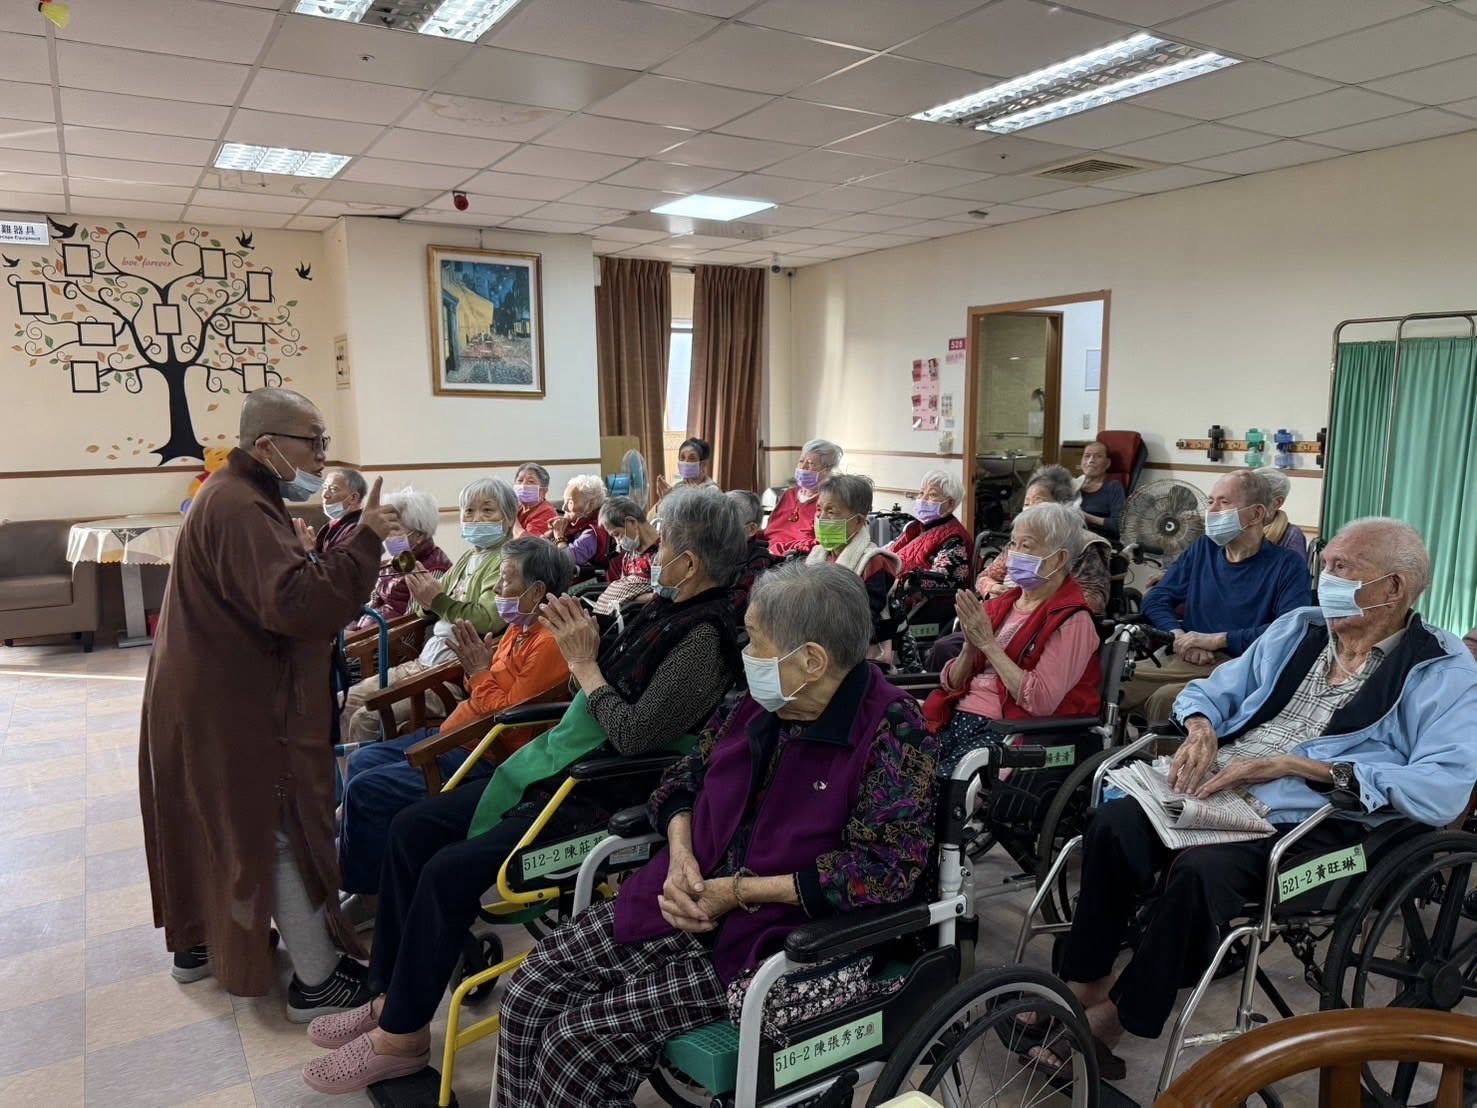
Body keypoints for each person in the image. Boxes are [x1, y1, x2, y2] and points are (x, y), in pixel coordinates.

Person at [300, 487, 745, 1093]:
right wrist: (586, 648)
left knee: (447, 870)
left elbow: (634, 735)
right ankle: (386, 999)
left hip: (604, 794)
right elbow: (591, 692)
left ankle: (402, 1036)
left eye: (662, 544)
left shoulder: (704, 639)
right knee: (411, 829)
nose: (652, 553)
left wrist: (583, 662)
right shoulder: (656, 609)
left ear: (689, 563)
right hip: (562, 767)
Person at [1038, 518, 1477, 1078]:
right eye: (1326, 564)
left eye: (1343, 569)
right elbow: (1213, 691)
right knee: (1114, 823)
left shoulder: (1442, 669)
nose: (1325, 580)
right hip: (1226, 784)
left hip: (1324, 822)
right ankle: (1085, 984)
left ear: (1393, 587)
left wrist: (1297, 765)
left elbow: (1443, 789)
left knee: (1201, 873)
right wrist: (1201, 727)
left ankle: (1115, 1020)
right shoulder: (1301, 628)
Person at [493, 563, 940, 1107]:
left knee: (575, 1043)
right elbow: (681, 780)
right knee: (528, 991)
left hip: (771, 934)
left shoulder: (893, 728)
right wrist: (681, 857)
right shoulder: (765, 700)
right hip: (688, 887)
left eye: (756, 641)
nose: (746, 653)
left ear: (812, 660)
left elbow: (885, 869)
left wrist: (738, 892)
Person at [139, 388, 398, 1018]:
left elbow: (269, 588)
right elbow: (296, 605)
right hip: (234, 701)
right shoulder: (238, 505)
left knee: (210, 817)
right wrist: (364, 539)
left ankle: (204, 944)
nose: (322, 455)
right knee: (271, 825)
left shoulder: (237, 495)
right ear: (265, 445)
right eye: (312, 441)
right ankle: (318, 980)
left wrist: (309, 556)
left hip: (206, 690)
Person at [337, 537, 572, 896]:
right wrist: (477, 669)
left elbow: (510, 718)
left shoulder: (549, 641)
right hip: (460, 732)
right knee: (363, 760)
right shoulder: (519, 627)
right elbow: (483, 685)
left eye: (505, 579)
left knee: (365, 789)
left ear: (537, 590)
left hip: (483, 753)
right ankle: (369, 866)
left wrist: (479, 672)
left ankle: (366, 890)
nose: (498, 589)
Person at [1121, 470, 1310, 722]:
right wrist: (1180, 638)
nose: (1211, 511)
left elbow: (1290, 631)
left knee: (1167, 699)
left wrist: (1218, 640)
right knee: (1112, 678)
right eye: (1211, 501)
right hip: (1185, 657)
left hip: (1241, 667)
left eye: (1224, 502)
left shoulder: (1287, 565)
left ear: (1256, 514)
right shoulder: (1204, 548)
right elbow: (1156, 598)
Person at [928, 503, 1102, 772]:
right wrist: (970, 648)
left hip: (1008, 732)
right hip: (958, 717)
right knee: (891, 762)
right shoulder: (1002, 605)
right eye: (1013, 544)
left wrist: (988, 644)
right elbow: (952, 685)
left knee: (927, 786)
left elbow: (1041, 701)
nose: (1014, 554)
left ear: (1059, 559)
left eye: (1026, 546)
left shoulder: (1072, 621)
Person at [340, 478, 516, 743]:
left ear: (509, 519)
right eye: (469, 511)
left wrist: (436, 601)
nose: (476, 517)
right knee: (345, 701)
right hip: (424, 660)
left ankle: (366, 768)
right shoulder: (469, 556)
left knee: (365, 717)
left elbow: (487, 620)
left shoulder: (506, 561)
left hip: (450, 674)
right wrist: (426, 600)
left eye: (487, 510)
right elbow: (432, 606)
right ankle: (346, 769)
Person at [927, 466, 1111, 672]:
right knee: (944, 648)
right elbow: (984, 577)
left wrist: (1033, 599)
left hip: (1044, 626)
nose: (1030, 508)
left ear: (1060, 506)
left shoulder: (1083, 545)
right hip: (1003, 617)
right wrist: (996, 589)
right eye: (1026, 502)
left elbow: (1094, 600)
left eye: (1038, 501)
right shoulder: (1019, 539)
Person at [806, 474, 901, 649]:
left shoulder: (873, 562)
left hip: (857, 650)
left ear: (858, 521)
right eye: (819, 510)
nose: (821, 518)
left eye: (831, 512)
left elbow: (865, 620)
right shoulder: (817, 554)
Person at [352, 487, 450, 630]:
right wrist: (355, 627)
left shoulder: (432, 569)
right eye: (388, 527)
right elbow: (374, 601)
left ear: (419, 535)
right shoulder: (397, 559)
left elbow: (413, 624)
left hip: (389, 639)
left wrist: (359, 637)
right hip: (369, 631)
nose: (388, 535)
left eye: (396, 529)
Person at [888, 468, 973, 583]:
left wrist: (901, 582)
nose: (922, 499)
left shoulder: (955, 538)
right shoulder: (914, 526)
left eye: (932, 494)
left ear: (950, 504)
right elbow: (890, 550)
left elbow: (944, 580)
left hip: (910, 591)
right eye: (921, 493)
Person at [767, 437, 842, 558]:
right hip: (769, 552)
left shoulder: (831, 501)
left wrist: (787, 549)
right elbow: (770, 531)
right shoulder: (789, 494)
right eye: (801, 461)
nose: (802, 467)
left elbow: (827, 544)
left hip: (800, 558)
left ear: (826, 469)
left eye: (810, 464)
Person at [594, 495, 660, 613]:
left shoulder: (660, 555)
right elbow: (623, 585)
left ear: (631, 522)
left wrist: (630, 598)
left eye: (617, 534)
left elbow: (657, 595)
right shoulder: (629, 556)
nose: (618, 542)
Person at [727, 488, 776, 612]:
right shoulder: (714, 551)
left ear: (751, 529)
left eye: (728, 522)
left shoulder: (759, 561)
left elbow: (736, 605)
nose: (718, 527)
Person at [549, 474, 609, 573]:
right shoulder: (575, 525)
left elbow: (566, 561)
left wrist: (559, 537)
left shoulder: (591, 534)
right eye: (564, 501)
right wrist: (551, 533)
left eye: (570, 502)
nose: (564, 508)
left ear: (590, 506)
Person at [1257, 466, 1308, 561]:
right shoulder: (1238, 527)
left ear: (1277, 503)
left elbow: (1296, 568)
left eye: (1256, 497)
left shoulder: (1292, 535)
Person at [311, 468, 367, 554]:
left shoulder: (357, 529)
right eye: (325, 488)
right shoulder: (335, 524)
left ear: (353, 498)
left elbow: (340, 561)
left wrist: (310, 550)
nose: (325, 495)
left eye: (333, 489)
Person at [1077, 441, 1125, 540]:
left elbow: (1118, 526)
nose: (1091, 460)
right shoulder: (1070, 485)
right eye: (1087, 456)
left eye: (1098, 456)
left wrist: (1086, 517)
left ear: (1107, 463)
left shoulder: (1113, 487)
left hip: (1096, 541)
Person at [654, 436, 721, 506]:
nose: (685, 462)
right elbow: (653, 512)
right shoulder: (678, 486)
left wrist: (670, 500)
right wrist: (662, 500)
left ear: (703, 464)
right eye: (682, 457)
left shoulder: (712, 491)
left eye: (691, 458)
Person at [513, 462, 557, 539]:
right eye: (520, 480)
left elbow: (526, 541)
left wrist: (511, 516)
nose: (523, 485)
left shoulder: (547, 512)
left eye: (531, 481)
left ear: (543, 491)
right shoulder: (518, 507)